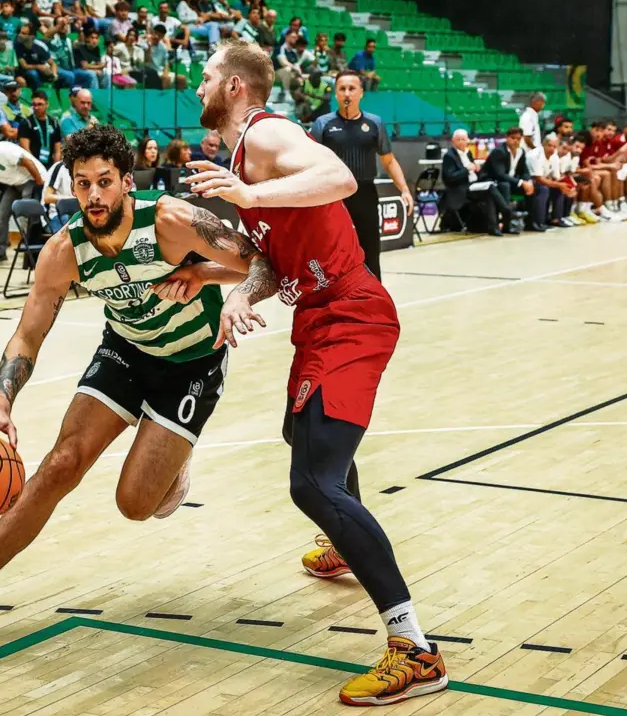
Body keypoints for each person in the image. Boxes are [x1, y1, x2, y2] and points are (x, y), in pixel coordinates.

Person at [0, 124, 275, 657]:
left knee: (135, 504)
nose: (94, 195)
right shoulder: (65, 251)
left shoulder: (174, 222)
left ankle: (173, 458)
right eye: (82, 184)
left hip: (192, 362)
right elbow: (28, 333)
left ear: (127, 182)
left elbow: (267, 261)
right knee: (60, 463)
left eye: (104, 181)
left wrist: (215, 279)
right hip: (125, 353)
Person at [166, 40, 447, 707]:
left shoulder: (269, 136)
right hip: (317, 317)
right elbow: (275, 255)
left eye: (207, 76)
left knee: (313, 483)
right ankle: (347, 545)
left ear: (235, 87)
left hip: (353, 315)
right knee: (304, 439)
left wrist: (247, 190)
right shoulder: (246, 162)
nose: (197, 84)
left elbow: (341, 180)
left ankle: (415, 648)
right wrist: (238, 292)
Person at [310, 70, 414, 277]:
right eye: (342, 89)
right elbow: (309, 162)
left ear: (361, 93)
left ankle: (374, 299)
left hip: (365, 193)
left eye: (352, 88)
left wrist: (404, 190)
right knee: (332, 250)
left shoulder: (375, 123)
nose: (347, 93)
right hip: (333, 196)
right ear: (336, 94)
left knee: (370, 250)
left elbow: (389, 160)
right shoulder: (322, 124)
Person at [439, 129, 517, 236]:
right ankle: (506, 210)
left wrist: (477, 169)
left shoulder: (468, 153)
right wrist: (467, 169)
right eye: (458, 140)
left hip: (473, 185)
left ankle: (495, 227)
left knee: (491, 190)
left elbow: (473, 172)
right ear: (453, 141)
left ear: (467, 141)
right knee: (489, 188)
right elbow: (450, 177)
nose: (461, 142)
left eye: (463, 139)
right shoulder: (449, 156)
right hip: (460, 189)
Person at [484, 127, 545, 231]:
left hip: (510, 181)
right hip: (493, 182)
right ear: (507, 138)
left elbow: (524, 171)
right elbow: (500, 174)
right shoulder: (499, 151)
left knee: (537, 187)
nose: (516, 141)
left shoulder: (521, 152)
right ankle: (507, 225)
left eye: (518, 139)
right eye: (513, 138)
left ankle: (531, 222)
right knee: (505, 186)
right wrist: (521, 182)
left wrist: (528, 182)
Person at [19, 90, 63, 168]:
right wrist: (37, 167)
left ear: (47, 104)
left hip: (50, 165)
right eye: (34, 105)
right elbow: (25, 149)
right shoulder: (26, 123)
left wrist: (55, 168)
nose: (36, 108)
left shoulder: (54, 123)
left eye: (40, 104)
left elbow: (57, 150)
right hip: (32, 166)